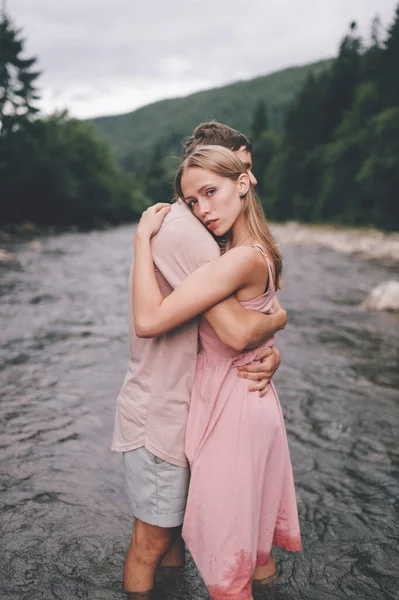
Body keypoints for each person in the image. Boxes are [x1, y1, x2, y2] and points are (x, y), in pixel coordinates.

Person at [111, 123, 287, 599]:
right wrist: (278, 322)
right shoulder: (193, 239)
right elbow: (233, 329)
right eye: (201, 192)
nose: (250, 180)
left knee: (180, 539)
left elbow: (241, 322)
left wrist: (271, 347)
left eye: (248, 169)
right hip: (163, 412)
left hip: (198, 411)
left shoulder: (226, 244)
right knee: (154, 540)